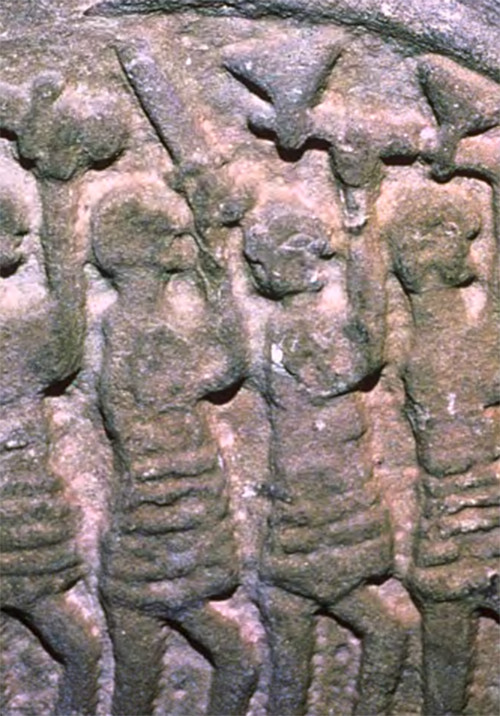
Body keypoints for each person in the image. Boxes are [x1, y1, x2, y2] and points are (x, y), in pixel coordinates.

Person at [91, 184, 258, 716]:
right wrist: (218, 268)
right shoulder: (143, 329)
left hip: (158, 532)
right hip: (162, 534)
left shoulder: (133, 324)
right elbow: (226, 365)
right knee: (234, 662)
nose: (182, 244)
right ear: (145, 249)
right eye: (173, 236)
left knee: (140, 684)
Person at [243, 202, 407, 715]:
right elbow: (367, 347)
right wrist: (360, 228)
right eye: (301, 252)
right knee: (384, 635)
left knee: (295, 667)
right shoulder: (296, 332)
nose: (318, 260)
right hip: (318, 523)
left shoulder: (291, 329)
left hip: (315, 518)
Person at [382, 178, 499, 715]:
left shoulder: (442, 347)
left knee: (444, 688)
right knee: (444, 689)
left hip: (452, 538)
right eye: (459, 237)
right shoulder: (453, 350)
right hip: (462, 535)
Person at [0, 179, 100, 716]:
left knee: (78, 650)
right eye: (12, 233)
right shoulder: (18, 331)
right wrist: (58, 190)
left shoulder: (20, 326)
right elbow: (64, 343)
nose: (21, 244)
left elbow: (63, 349)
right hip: (18, 511)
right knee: (79, 651)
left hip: (24, 513)